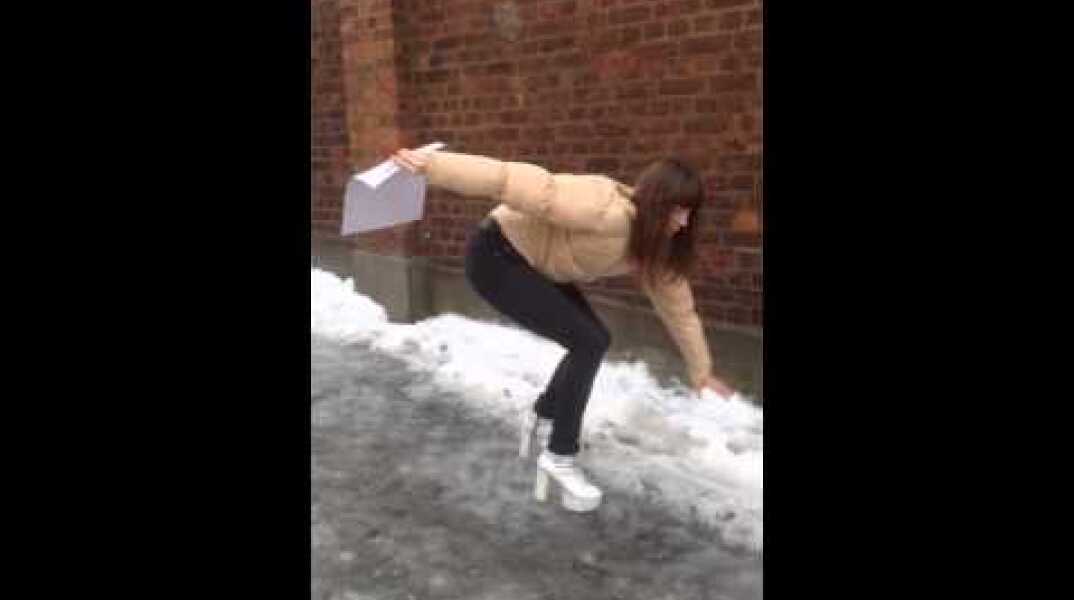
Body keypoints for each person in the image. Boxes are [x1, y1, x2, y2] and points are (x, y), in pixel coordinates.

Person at [391, 147, 734, 512]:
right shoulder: (602, 207)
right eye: (678, 210)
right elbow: (509, 179)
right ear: (658, 202)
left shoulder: (655, 247)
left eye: (689, 214)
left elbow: (679, 310)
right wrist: (434, 167)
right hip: (496, 256)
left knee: (593, 340)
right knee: (588, 342)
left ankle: (543, 413)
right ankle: (559, 455)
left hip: (536, 267)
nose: (683, 223)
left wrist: (702, 372)